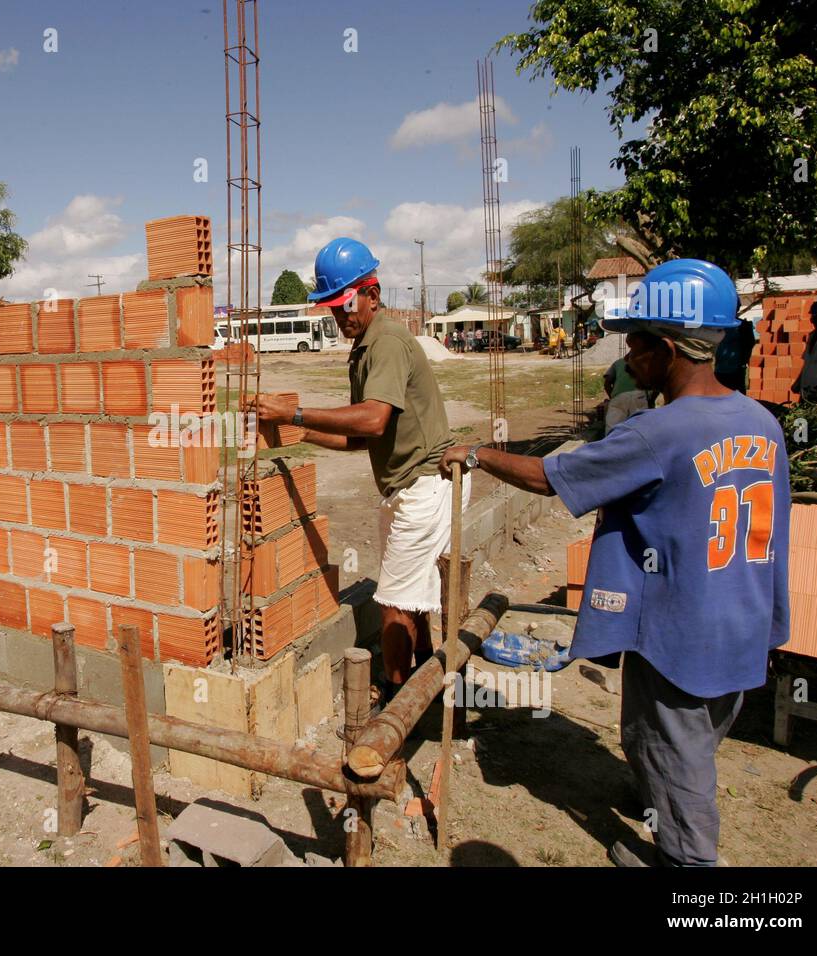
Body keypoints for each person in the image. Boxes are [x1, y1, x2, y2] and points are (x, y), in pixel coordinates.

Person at [439, 259, 789, 867]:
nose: (628, 355)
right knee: (681, 742)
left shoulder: (659, 432)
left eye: (638, 342)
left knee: (676, 759)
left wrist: (477, 453)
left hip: (681, 635)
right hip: (744, 625)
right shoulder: (762, 423)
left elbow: (553, 478)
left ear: (672, 348)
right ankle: (663, 818)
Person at [250, 238, 468, 707]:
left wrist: (297, 414)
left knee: (392, 602)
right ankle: (425, 676)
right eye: (332, 308)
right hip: (413, 487)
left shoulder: (386, 341)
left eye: (347, 303)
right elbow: (359, 437)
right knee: (414, 596)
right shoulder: (366, 345)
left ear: (372, 292)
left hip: (424, 487)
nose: (341, 316)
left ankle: (395, 704)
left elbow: (371, 419)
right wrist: (301, 433)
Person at [603, 350, 656, 434]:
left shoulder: (618, 363)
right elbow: (655, 385)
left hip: (618, 397)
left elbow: (607, 383)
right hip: (640, 396)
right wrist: (651, 400)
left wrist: (613, 397)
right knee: (640, 429)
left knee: (612, 430)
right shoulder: (646, 363)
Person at [714, 316, 756, 392]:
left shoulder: (742, 325)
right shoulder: (719, 324)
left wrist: (743, 361)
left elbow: (750, 343)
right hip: (720, 369)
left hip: (735, 369)